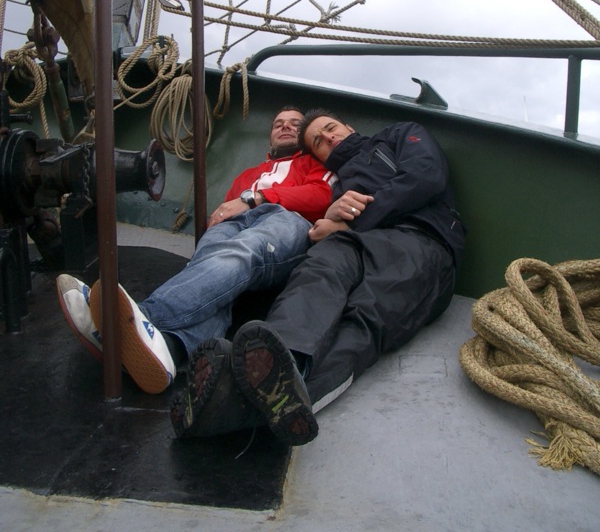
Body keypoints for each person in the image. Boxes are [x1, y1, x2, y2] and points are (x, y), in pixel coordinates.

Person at [174, 108, 466, 445]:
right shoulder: (337, 180)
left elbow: (425, 176)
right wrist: (331, 218)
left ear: (349, 125)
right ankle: (284, 363)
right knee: (316, 273)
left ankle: (246, 408)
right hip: (353, 241)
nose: (328, 138)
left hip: (423, 240)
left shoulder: (399, 135)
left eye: (330, 129)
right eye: (319, 142)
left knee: (363, 319)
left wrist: (353, 219)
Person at [56, 106, 336, 395]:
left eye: (294, 123)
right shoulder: (248, 174)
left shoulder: (315, 164)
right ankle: (168, 348)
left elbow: (321, 196)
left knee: (240, 252)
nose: (285, 127)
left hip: (286, 221)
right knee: (215, 282)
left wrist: (257, 198)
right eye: (278, 124)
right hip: (234, 225)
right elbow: (227, 210)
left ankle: (134, 320)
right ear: (270, 138)